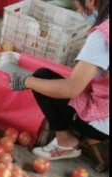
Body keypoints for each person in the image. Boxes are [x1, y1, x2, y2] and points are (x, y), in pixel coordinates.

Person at [9, 0, 108, 161]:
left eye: (78, 8)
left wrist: (26, 81)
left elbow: (71, 89)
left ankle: (66, 141)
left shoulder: (102, 36)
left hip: (104, 124)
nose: (80, 13)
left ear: (90, 1)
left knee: (42, 77)